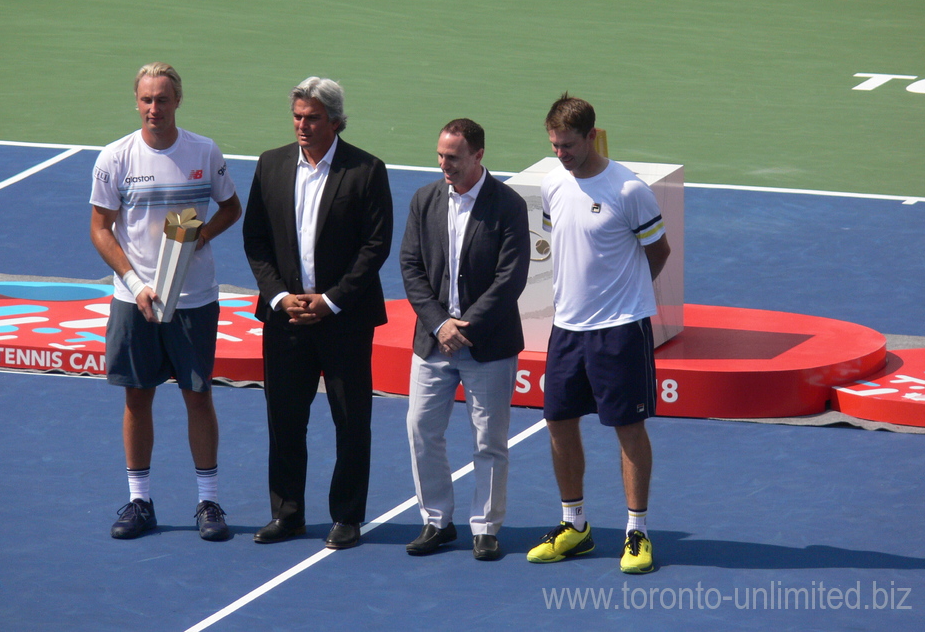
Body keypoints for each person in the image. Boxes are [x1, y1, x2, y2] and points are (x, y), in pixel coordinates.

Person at [90, 62, 242, 541]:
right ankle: (140, 502)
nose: (154, 108)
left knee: (198, 396)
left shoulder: (204, 151)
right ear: (136, 102)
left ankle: (209, 502)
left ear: (178, 100)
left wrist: (200, 237)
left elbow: (231, 208)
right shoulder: (114, 158)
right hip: (134, 299)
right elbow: (100, 228)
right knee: (138, 397)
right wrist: (135, 284)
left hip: (194, 299)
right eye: (147, 99)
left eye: (163, 98)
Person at [243, 76, 393, 550]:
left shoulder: (366, 170)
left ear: (334, 121)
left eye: (312, 118)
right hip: (285, 319)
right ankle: (286, 513)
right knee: (284, 419)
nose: (302, 126)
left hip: (343, 320)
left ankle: (347, 516)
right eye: (297, 117)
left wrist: (330, 301)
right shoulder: (271, 165)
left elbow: (376, 245)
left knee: (351, 419)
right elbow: (256, 241)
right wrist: (278, 297)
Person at [526, 93, 671, 574]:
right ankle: (575, 525)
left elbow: (659, 252)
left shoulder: (629, 191)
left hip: (620, 330)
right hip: (566, 329)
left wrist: (626, 296)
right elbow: (563, 241)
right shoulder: (552, 184)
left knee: (627, 427)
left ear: (591, 136)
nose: (560, 154)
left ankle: (637, 532)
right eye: (554, 146)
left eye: (568, 145)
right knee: (559, 423)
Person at [400, 119, 530, 561]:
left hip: (487, 346)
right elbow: (411, 267)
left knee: (488, 438)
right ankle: (436, 521)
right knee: (420, 428)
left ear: (478, 155)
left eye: (452, 157)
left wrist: (464, 327)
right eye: (440, 155)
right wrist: (440, 325)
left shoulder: (508, 205)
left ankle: (486, 527)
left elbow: (510, 278)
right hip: (434, 342)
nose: (443, 165)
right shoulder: (425, 199)